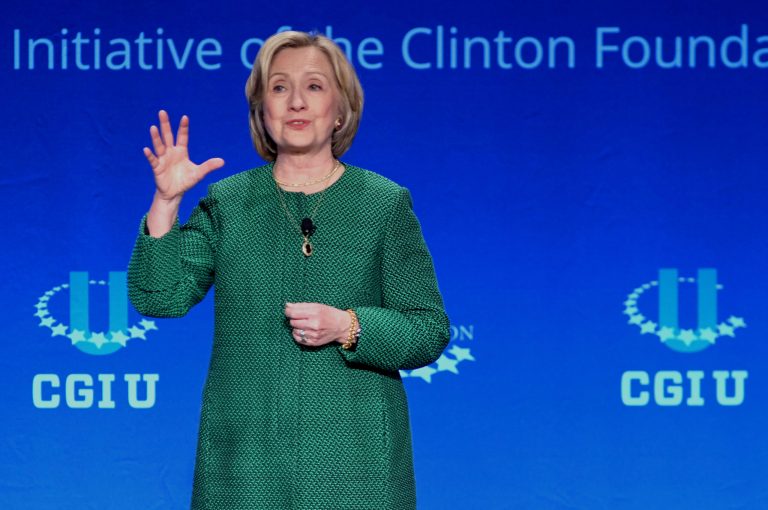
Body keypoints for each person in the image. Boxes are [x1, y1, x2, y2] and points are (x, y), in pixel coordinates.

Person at [128, 30, 449, 510]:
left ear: (341, 110)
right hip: (244, 468)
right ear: (262, 110)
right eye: (279, 88)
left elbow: (428, 329)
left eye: (314, 86)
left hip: (357, 467)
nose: (296, 101)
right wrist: (166, 201)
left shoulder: (384, 204)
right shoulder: (229, 202)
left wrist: (350, 326)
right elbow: (160, 296)